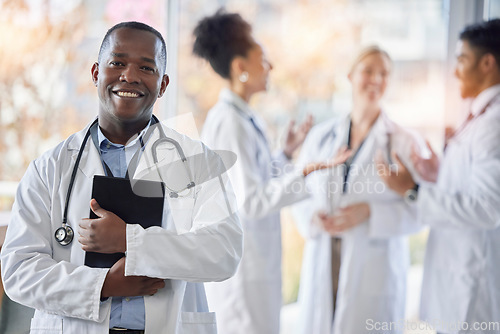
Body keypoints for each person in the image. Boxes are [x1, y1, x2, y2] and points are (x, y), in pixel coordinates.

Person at [0, 21, 243, 334]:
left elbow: (224, 252)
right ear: (95, 73)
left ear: (163, 84)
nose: (130, 76)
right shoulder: (50, 168)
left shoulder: (197, 161)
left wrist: (130, 241)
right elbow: (18, 272)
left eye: (146, 67)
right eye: (117, 63)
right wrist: (103, 285)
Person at [192, 10, 346, 334]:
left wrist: (286, 154)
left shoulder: (243, 117)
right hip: (242, 272)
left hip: (254, 264)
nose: (270, 67)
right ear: (240, 68)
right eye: (262, 59)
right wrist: (306, 170)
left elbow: (255, 181)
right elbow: (250, 201)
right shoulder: (230, 122)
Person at [378, 19, 500, 334]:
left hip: (472, 287)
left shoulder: (493, 124)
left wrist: (413, 191)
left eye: (462, 60)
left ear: (487, 63)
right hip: (457, 275)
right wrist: (438, 173)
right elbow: (471, 185)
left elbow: (488, 209)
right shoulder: (480, 115)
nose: (455, 70)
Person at [293, 46, 424, 334]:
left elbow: (423, 208)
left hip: (374, 266)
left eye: (384, 74)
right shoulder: (321, 137)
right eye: (368, 71)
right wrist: (313, 217)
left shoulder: (404, 142)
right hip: (325, 259)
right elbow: (296, 190)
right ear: (351, 76)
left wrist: (370, 212)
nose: (376, 79)